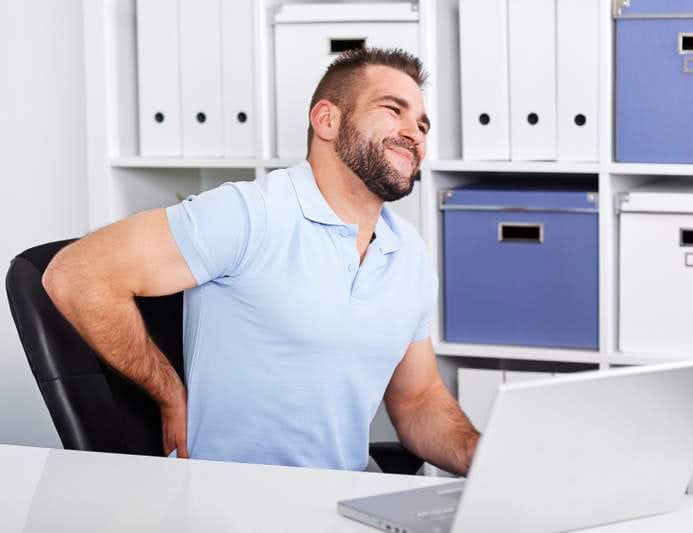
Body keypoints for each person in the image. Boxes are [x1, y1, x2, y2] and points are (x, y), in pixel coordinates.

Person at [42, 47, 479, 475]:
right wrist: (168, 392)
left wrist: (486, 460)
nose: (415, 133)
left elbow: (418, 399)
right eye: (393, 110)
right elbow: (78, 274)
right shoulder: (248, 213)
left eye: (423, 124)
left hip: (339, 496)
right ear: (327, 120)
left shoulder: (409, 253)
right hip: (230, 499)